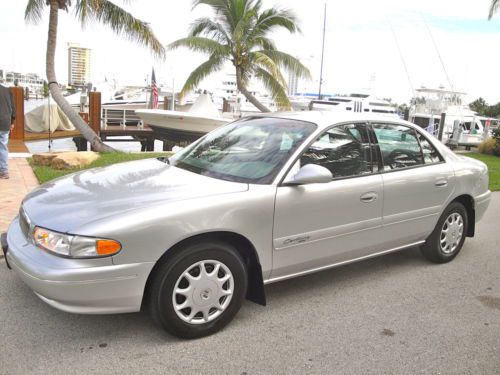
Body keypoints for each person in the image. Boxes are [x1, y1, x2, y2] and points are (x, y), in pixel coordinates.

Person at [0, 84, 16, 179]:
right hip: (5, 122)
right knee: (3, 147)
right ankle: (4, 171)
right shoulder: (7, 90)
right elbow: (13, 108)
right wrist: (12, 122)